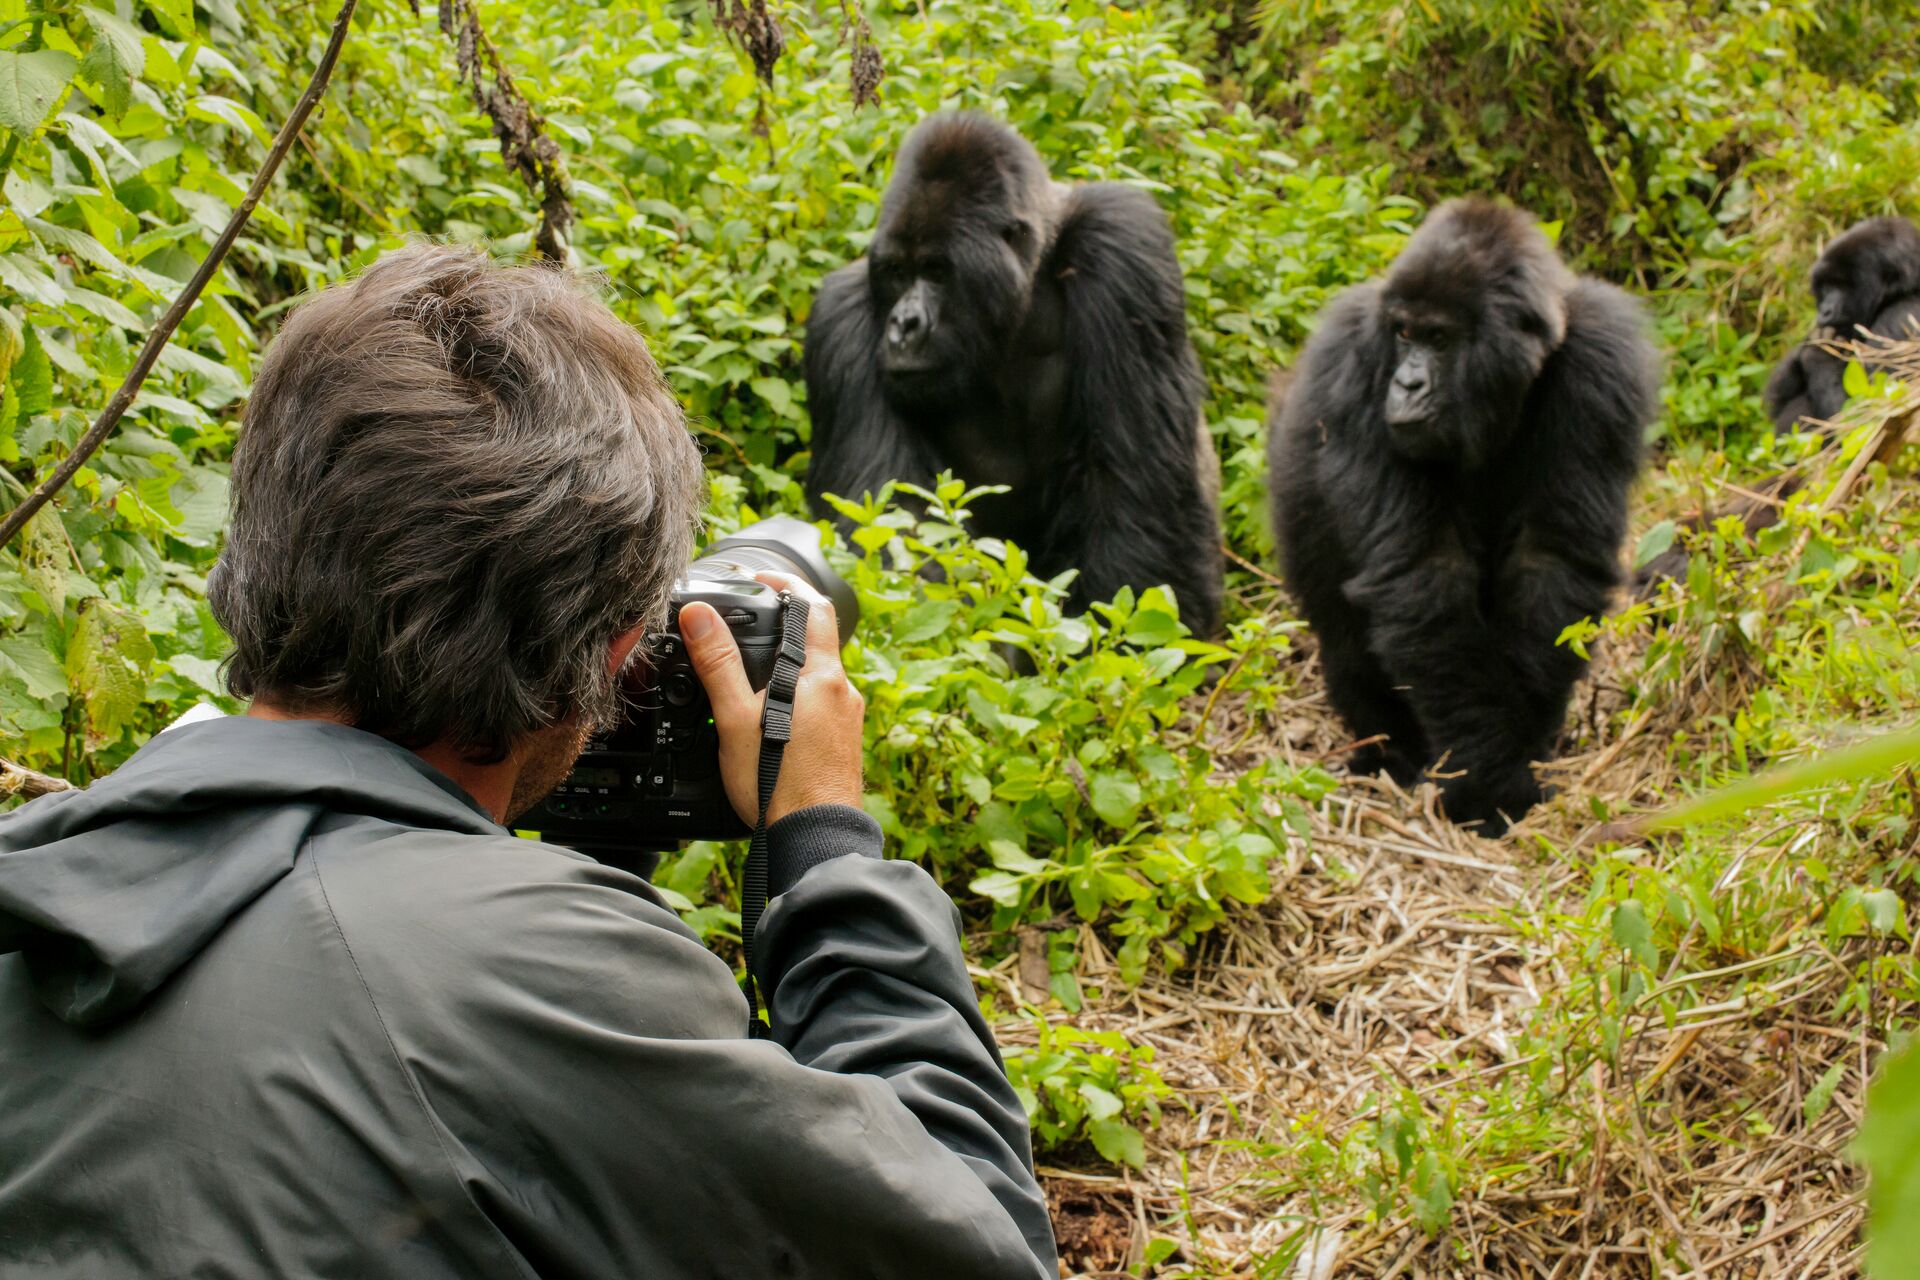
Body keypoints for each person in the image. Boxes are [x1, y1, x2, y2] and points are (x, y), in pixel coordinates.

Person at [0, 244, 1058, 1279]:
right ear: (606, 658)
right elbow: (984, 1240)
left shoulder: (49, 875)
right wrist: (824, 846)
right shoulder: (537, 981)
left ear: (258, 543)